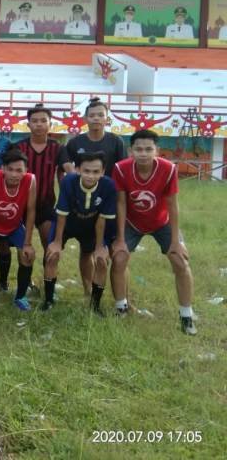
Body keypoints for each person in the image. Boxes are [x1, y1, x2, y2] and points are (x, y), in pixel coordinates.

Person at [111, 130, 196, 335]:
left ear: (157, 150)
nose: (143, 153)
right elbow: (121, 203)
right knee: (119, 258)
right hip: (132, 222)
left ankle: (186, 316)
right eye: (138, 149)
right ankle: (121, 308)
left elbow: (173, 205)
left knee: (180, 261)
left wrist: (175, 242)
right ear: (131, 150)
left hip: (161, 222)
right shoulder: (121, 168)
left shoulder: (168, 169)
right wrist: (120, 239)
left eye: (148, 149)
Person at [60, 97, 127, 294]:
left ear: (107, 118)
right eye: (92, 115)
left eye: (100, 115)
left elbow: (123, 171)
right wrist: (68, 192)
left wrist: (121, 200)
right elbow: (64, 170)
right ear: (85, 118)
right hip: (82, 206)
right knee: (87, 250)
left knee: (117, 253)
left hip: (108, 204)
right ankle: (88, 292)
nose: (96, 118)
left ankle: (123, 299)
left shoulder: (116, 141)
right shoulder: (76, 143)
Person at [45, 152, 116, 314]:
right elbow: (62, 214)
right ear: (77, 170)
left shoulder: (108, 186)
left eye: (96, 171)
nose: (91, 175)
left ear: (103, 171)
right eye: (86, 171)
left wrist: (100, 246)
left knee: (101, 260)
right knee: (52, 255)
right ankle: (48, 301)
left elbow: (102, 220)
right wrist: (57, 242)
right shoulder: (68, 181)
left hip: (91, 226)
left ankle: (95, 306)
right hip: (67, 223)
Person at [0, 149, 36, 311]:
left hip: (14, 223)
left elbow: (31, 211)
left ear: (26, 170)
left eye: (19, 170)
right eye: (10, 169)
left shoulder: (30, 180)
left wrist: (28, 243)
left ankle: (20, 297)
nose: (14, 174)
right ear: (3, 168)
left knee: (27, 255)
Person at [14, 104, 62, 292]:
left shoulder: (57, 148)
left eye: (43, 120)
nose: (39, 124)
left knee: (49, 246)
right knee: (23, 246)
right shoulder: (19, 147)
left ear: (50, 124)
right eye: (35, 121)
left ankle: (49, 284)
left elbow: (66, 169)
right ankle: (26, 284)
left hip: (45, 205)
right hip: (21, 205)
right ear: (28, 124)